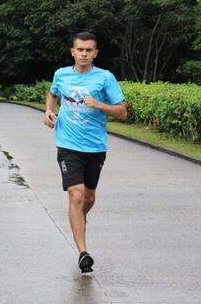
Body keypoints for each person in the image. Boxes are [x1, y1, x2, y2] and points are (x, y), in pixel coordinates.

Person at [44, 32, 127, 273]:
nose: (84, 54)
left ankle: (78, 218)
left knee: (88, 198)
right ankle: (83, 252)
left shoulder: (105, 78)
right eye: (80, 49)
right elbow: (53, 93)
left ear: (95, 53)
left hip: (95, 147)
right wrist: (49, 112)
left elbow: (122, 112)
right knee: (76, 195)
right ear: (72, 51)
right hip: (68, 145)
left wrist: (99, 105)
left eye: (89, 50)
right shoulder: (61, 74)